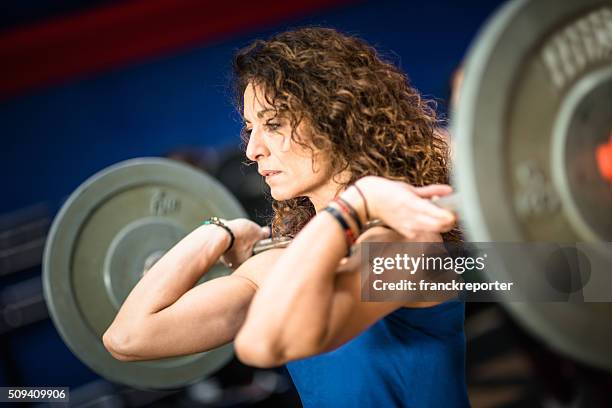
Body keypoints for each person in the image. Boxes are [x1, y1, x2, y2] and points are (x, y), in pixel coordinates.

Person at [103, 27, 469, 407]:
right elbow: (128, 338)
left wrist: (353, 205)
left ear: (336, 118)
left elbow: (265, 342)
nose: (252, 149)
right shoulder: (285, 260)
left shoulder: (403, 246)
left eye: (273, 124)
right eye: (250, 129)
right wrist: (218, 233)